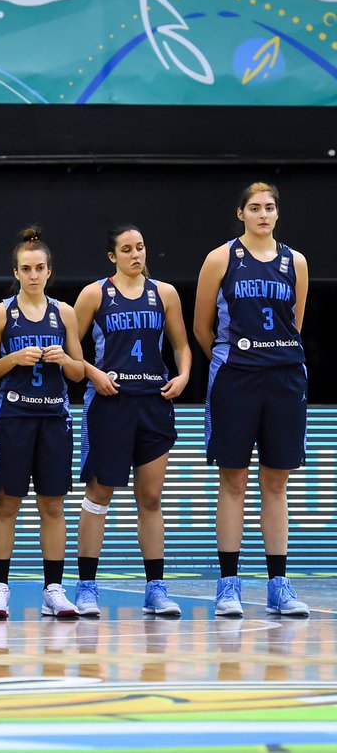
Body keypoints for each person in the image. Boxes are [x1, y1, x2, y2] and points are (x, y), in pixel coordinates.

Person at [194, 182, 310, 617]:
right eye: (255, 207)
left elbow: (295, 321)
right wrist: (230, 360)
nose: (263, 214)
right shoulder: (221, 258)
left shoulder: (295, 261)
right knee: (234, 480)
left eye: (270, 207)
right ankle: (229, 586)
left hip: (284, 377)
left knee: (276, 482)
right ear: (240, 213)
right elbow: (202, 326)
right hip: (236, 378)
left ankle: (279, 585)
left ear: (277, 214)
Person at [72, 225, 190, 617]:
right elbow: (71, 349)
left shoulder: (165, 293)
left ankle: (156, 589)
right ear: (113, 257)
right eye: (126, 249)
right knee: (99, 494)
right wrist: (93, 372)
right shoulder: (94, 294)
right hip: (111, 404)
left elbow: (181, 345)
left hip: (154, 403)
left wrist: (185, 374)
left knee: (151, 498)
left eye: (140, 247)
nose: (136, 254)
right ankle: (86, 588)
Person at [0, 228, 85, 619]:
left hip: (54, 415)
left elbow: (78, 373)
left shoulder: (65, 312)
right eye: (26, 268)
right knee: (7, 504)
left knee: (53, 506)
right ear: (16, 272)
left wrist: (64, 360)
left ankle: (53, 589)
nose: (34, 274)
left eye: (40, 268)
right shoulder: (0, 313)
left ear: (50, 271)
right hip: (14, 416)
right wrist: (13, 359)